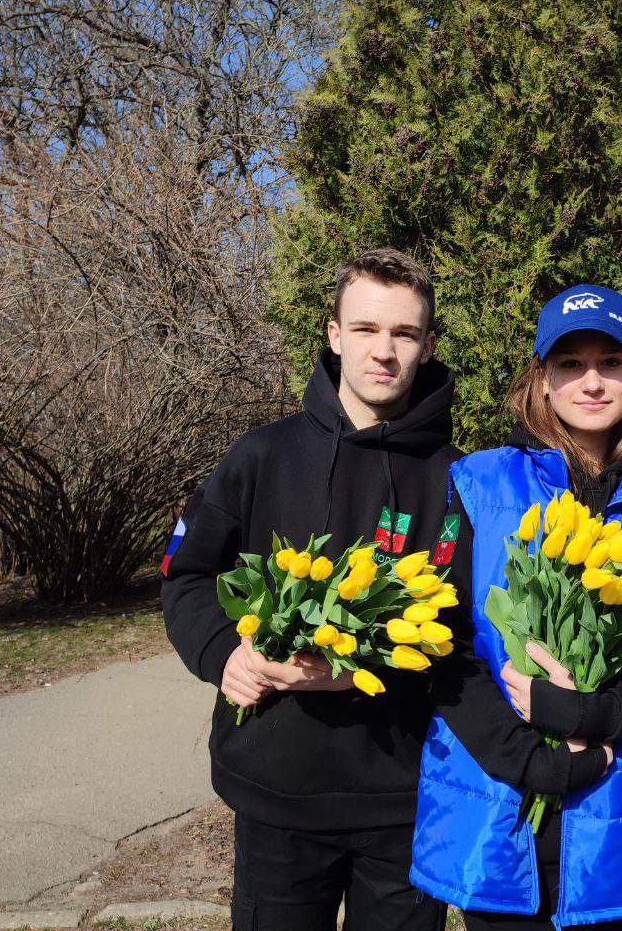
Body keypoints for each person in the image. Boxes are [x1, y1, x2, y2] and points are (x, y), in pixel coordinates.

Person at [161, 249, 461, 931]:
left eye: (404, 334)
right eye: (365, 329)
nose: (383, 351)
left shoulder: (457, 481)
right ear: (333, 335)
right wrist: (223, 653)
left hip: (407, 801)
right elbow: (188, 574)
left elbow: (468, 630)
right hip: (278, 798)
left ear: (428, 345)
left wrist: (366, 669)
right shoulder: (259, 455)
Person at [409, 284, 622, 931]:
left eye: (611, 362)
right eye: (570, 364)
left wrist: (594, 715)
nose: (592, 381)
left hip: (620, 823)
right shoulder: (478, 484)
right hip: (499, 812)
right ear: (541, 380)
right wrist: (526, 756)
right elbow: (441, 645)